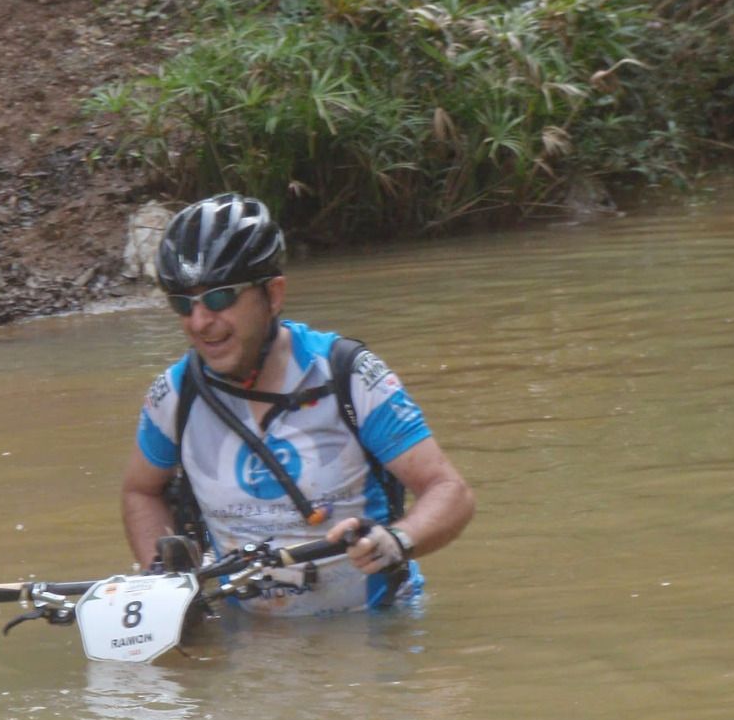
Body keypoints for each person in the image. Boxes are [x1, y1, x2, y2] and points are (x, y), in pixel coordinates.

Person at [120, 193, 475, 616]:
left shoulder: (349, 375)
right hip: (248, 643)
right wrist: (163, 578)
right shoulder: (175, 395)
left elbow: (450, 492)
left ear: (273, 294)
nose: (200, 322)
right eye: (182, 303)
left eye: (219, 298)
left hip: (374, 631)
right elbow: (141, 491)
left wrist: (395, 542)